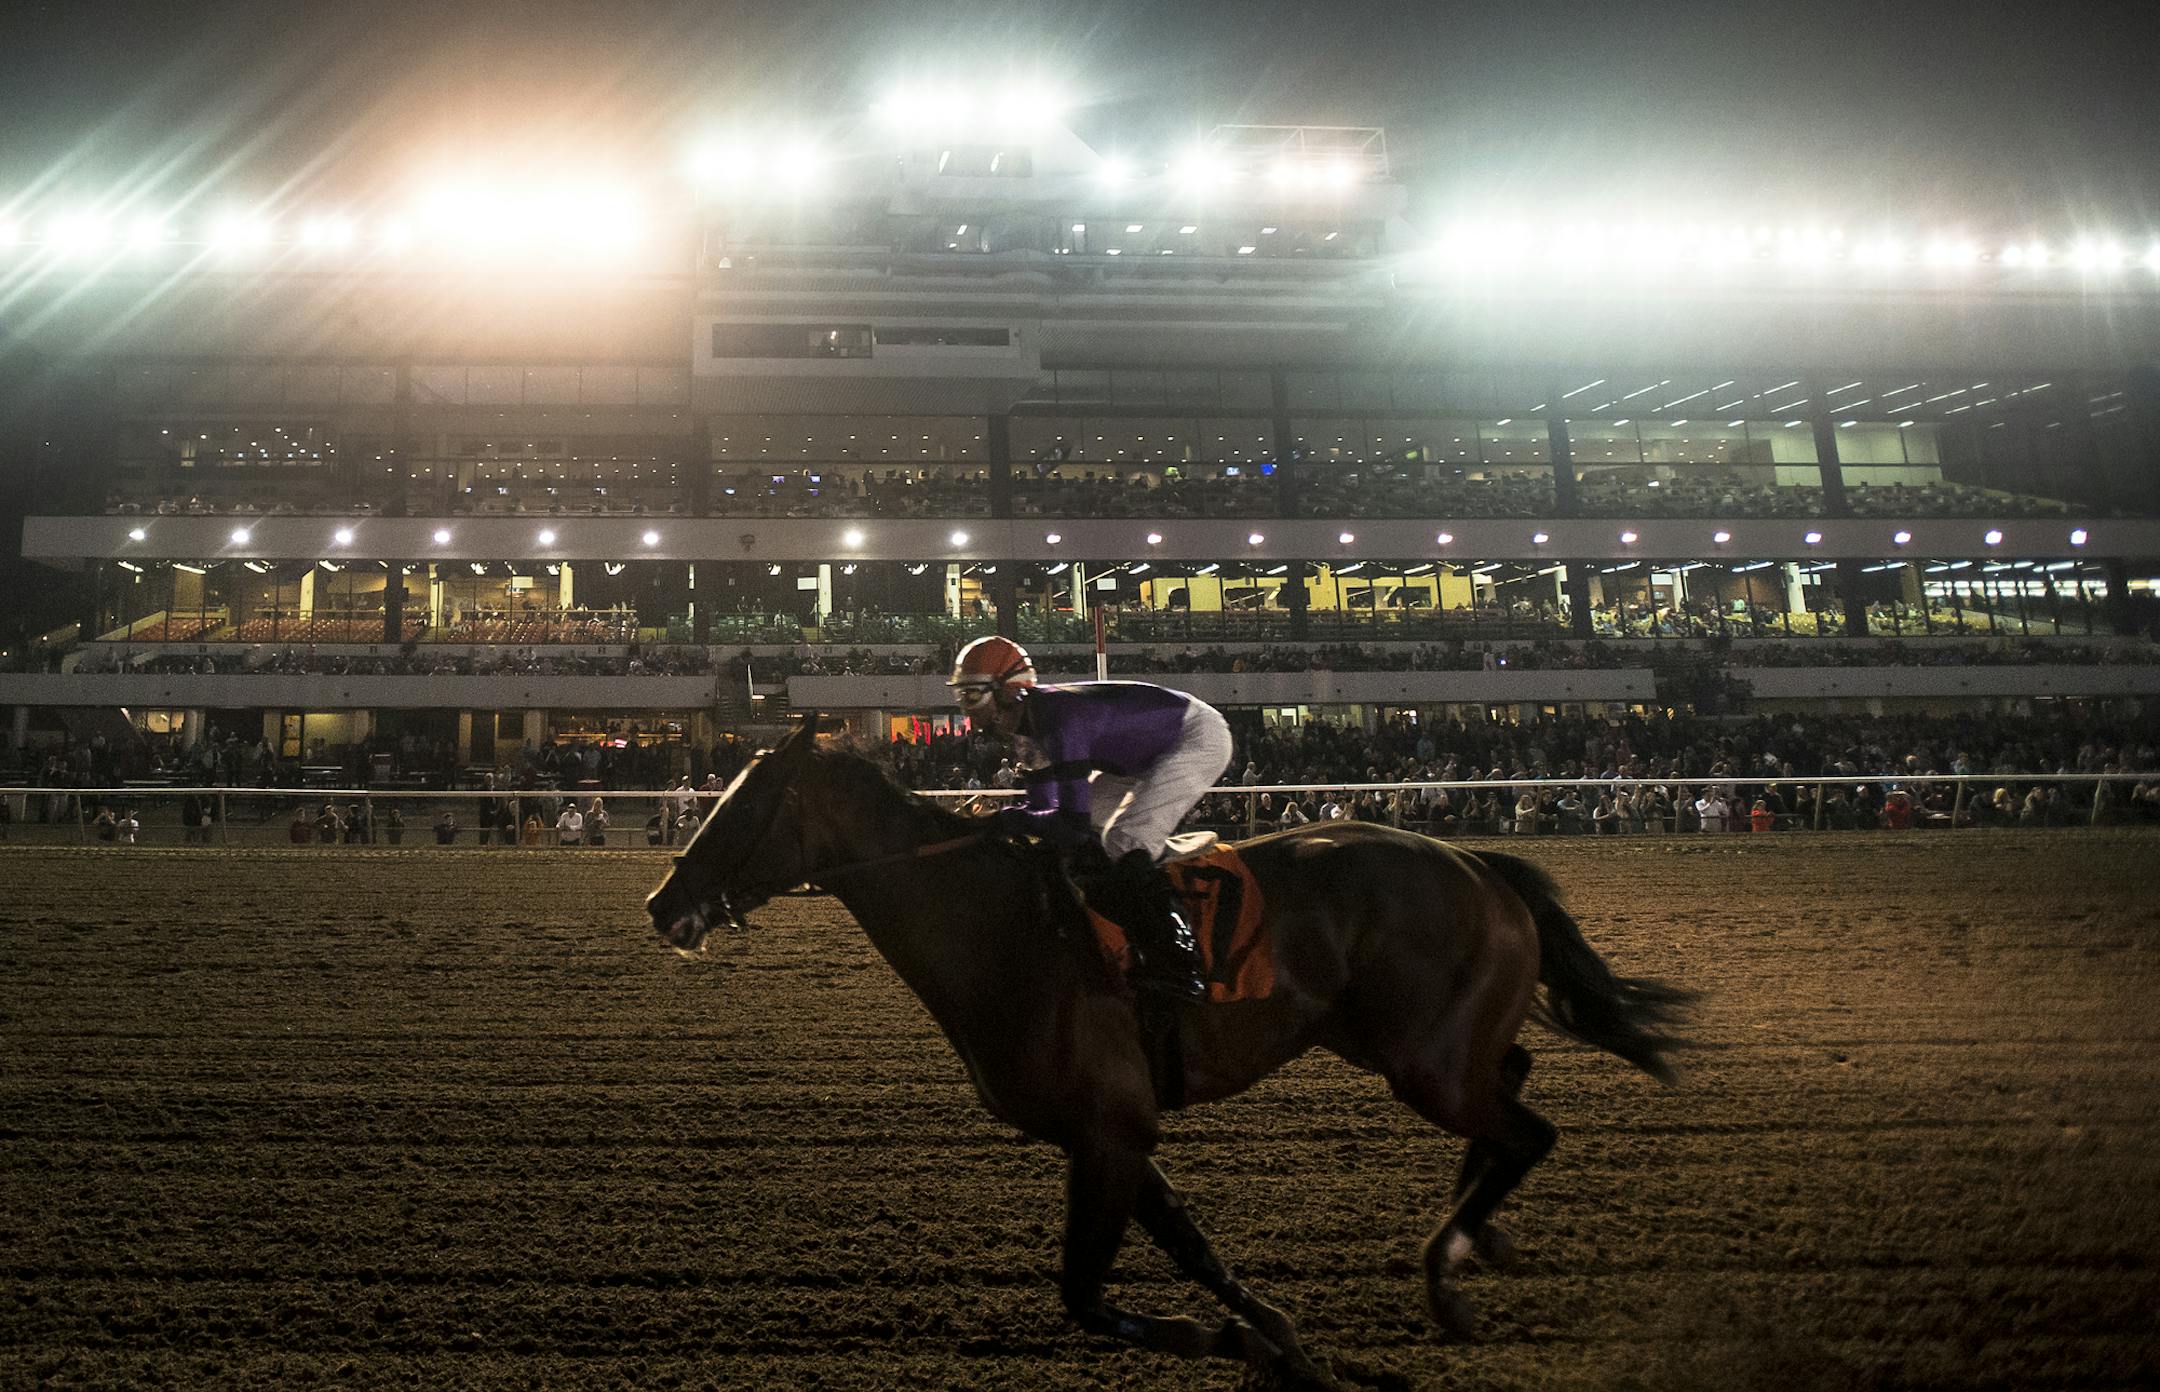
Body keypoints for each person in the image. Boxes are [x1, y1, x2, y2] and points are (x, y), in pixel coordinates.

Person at [947, 635, 1232, 999]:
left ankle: (1179, 962)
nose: (965, 708)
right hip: (1141, 754)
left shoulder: (1058, 719)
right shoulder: (1027, 731)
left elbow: (1070, 823)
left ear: (1006, 690)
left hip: (1194, 736)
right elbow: (1042, 814)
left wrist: (1000, 821)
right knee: (1095, 834)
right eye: (961, 696)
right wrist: (1007, 819)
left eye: (971, 696)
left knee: (1124, 840)